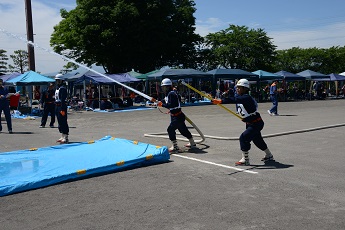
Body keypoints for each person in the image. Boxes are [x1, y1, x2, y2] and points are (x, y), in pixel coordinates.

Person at [212, 79, 274, 166]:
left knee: (243, 138)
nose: (237, 89)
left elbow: (234, 99)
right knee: (257, 140)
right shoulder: (241, 97)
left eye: (239, 88)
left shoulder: (246, 97)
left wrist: (221, 101)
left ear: (245, 89)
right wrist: (245, 118)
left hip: (256, 123)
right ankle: (269, 155)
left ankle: (245, 159)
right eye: (237, 87)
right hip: (250, 123)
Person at [157, 78, 196, 153]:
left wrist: (162, 105)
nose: (163, 88)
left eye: (164, 87)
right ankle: (192, 143)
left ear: (168, 86)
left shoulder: (171, 93)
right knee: (183, 130)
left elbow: (172, 104)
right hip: (176, 115)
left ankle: (175, 147)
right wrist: (159, 102)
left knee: (170, 130)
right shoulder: (169, 93)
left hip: (177, 116)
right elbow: (166, 101)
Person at [54, 74, 69, 144]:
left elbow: (63, 99)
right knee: (59, 121)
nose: (57, 82)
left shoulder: (63, 88)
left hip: (61, 106)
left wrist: (62, 109)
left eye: (59, 80)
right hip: (57, 106)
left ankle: (65, 136)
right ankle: (62, 135)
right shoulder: (57, 88)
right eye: (56, 80)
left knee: (63, 121)